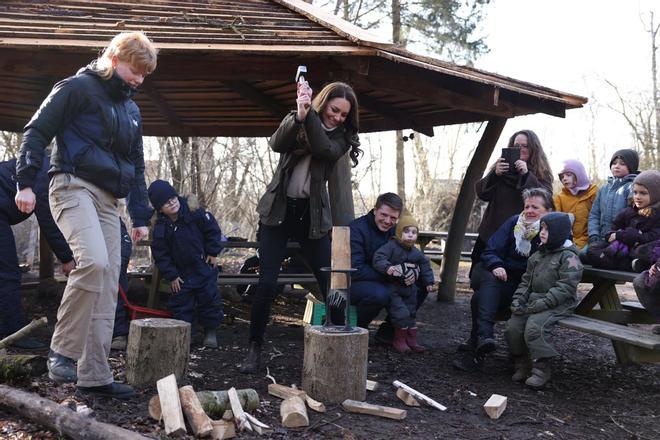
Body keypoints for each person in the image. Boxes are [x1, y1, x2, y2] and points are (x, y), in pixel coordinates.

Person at [15, 32, 157, 399]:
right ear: (113, 59)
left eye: (145, 74)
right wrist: (25, 182)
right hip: (71, 186)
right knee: (92, 263)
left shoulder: (131, 110)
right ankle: (62, 351)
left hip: (109, 200)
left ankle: (94, 375)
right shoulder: (76, 88)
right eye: (135, 70)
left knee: (110, 281)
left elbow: (137, 167)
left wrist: (140, 216)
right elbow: (36, 130)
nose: (139, 80)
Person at [240, 81, 362, 374]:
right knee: (267, 283)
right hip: (279, 212)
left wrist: (310, 119)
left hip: (312, 215)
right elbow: (276, 144)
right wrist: (299, 115)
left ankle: (339, 347)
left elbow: (323, 149)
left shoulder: (343, 138)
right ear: (324, 103)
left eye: (345, 114)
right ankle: (254, 348)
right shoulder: (298, 116)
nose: (338, 118)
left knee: (331, 283)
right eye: (335, 110)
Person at [454, 187, 553, 372]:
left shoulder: (552, 230)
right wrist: (497, 265)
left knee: (479, 298)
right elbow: (490, 250)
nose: (529, 211)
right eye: (527, 206)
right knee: (487, 280)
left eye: (535, 207)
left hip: (529, 289)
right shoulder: (514, 222)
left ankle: (479, 346)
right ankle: (483, 341)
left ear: (548, 211)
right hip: (504, 281)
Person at [0, 157, 75, 349]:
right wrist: (67, 258)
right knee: (8, 273)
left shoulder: (45, 163)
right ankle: (14, 332)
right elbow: (47, 218)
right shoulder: (48, 171)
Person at [504, 212, 583, 388]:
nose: (542, 232)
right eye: (542, 228)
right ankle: (523, 363)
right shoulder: (537, 255)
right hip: (534, 301)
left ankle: (541, 368)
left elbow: (566, 287)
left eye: (548, 229)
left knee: (534, 327)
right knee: (513, 327)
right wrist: (518, 299)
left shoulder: (570, 257)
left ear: (560, 232)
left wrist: (543, 303)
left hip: (559, 303)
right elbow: (526, 282)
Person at [148, 180, 224, 348]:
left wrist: (212, 251)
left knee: (209, 298)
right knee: (182, 305)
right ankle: (185, 333)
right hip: (180, 274)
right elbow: (161, 254)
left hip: (202, 265)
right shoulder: (161, 227)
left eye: (173, 198)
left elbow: (212, 229)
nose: (172, 203)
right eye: (166, 203)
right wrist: (172, 275)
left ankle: (210, 331)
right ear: (160, 209)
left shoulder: (194, 213)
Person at [471, 130, 553, 272]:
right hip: (491, 232)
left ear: (533, 148)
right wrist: (495, 175)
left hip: (522, 236)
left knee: (511, 278)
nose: (520, 149)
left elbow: (547, 199)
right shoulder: (501, 166)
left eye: (525, 146)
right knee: (480, 274)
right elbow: (482, 194)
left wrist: (527, 175)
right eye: (516, 145)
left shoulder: (541, 172)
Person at [372, 213, 434, 353]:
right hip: (393, 288)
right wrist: (388, 268)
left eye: (414, 232)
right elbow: (378, 257)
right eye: (406, 231)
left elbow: (425, 264)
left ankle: (411, 341)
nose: (410, 235)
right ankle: (398, 340)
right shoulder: (391, 246)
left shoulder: (415, 252)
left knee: (411, 314)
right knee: (401, 313)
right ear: (399, 232)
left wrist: (428, 281)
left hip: (410, 289)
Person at [585, 170, 660, 271]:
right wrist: (612, 235)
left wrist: (635, 235)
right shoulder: (628, 211)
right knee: (592, 249)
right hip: (622, 249)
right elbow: (614, 228)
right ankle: (629, 265)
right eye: (635, 192)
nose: (637, 197)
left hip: (641, 249)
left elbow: (654, 236)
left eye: (643, 193)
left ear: (655, 194)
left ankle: (633, 264)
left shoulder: (657, 214)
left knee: (646, 250)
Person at [585, 149, 639, 254]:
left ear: (631, 166)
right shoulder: (603, 189)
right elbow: (594, 215)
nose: (617, 166)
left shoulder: (633, 187)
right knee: (583, 254)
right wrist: (593, 234)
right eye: (614, 163)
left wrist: (620, 236)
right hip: (601, 239)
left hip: (621, 240)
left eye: (622, 164)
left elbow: (634, 217)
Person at [553, 159, 598, 249]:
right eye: (562, 176)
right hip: (568, 241)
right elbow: (556, 222)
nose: (564, 178)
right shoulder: (560, 198)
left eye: (568, 175)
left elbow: (598, 217)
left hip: (590, 240)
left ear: (579, 174)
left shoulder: (594, 192)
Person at [110, 218, 134, 351]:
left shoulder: (115, 222)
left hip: (116, 266)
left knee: (117, 296)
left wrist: (117, 263)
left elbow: (125, 245)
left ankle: (119, 334)